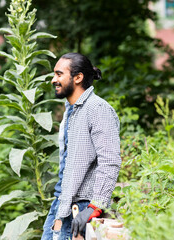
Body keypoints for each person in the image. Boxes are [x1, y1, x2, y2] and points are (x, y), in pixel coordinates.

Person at [41, 53, 122, 240]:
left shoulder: (98, 109)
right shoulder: (72, 111)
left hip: (82, 210)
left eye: (59, 74)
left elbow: (110, 161)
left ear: (78, 78)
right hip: (62, 204)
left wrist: (95, 207)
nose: (54, 80)